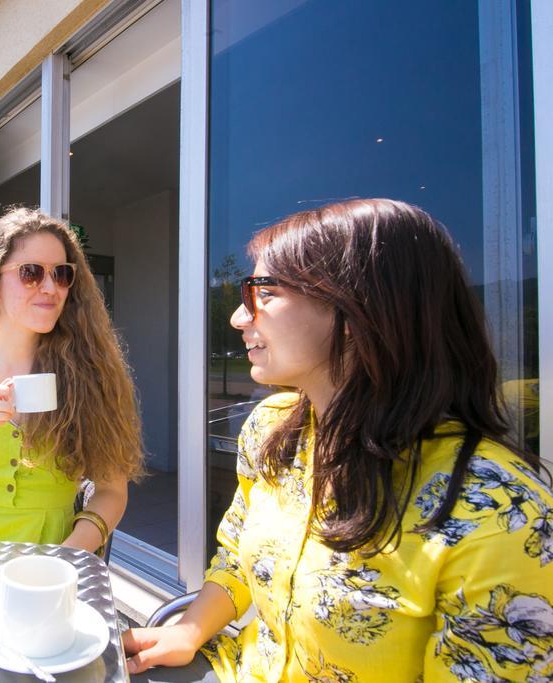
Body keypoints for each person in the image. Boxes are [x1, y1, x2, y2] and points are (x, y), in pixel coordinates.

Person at [124, 199, 553, 681]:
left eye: (261, 293)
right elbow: (238, 557)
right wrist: (189, 631)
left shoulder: (497, 513)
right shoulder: (271, 428)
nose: (238, 319)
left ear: (359, 306)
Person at [0, 207, 145, 553]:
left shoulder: (90, 373)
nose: (49, 287)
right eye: (31, 273)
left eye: (61, 274)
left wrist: (72, 553)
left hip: (51, 561)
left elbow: (112, 490)